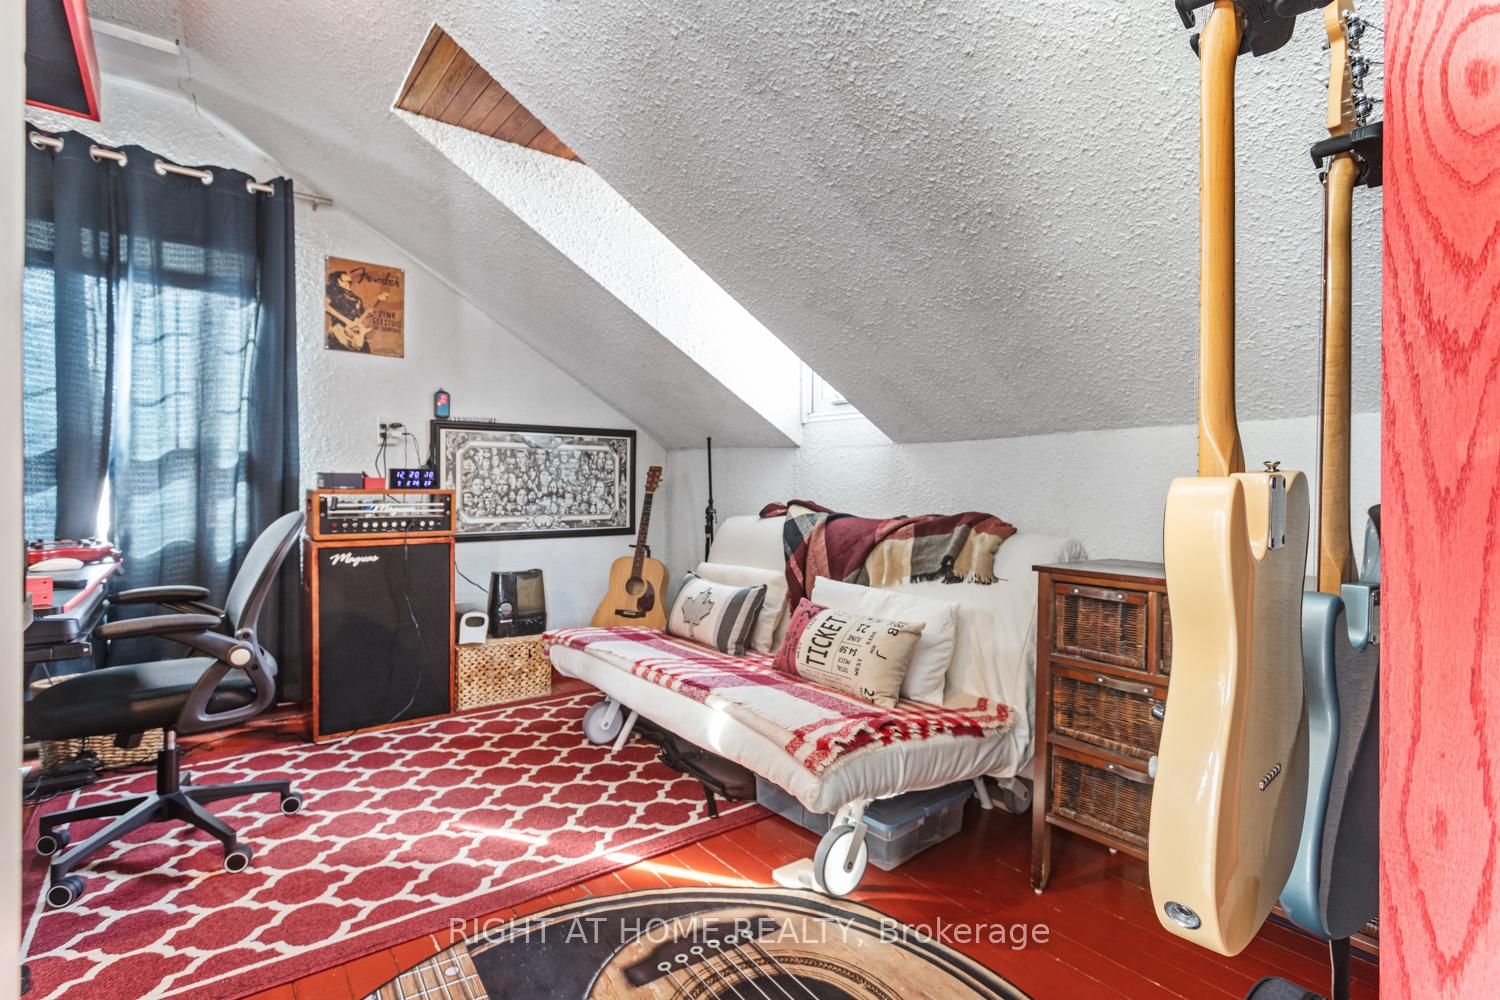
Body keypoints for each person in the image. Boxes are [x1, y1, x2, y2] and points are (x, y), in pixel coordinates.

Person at [325, 270, 371, 353]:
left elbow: (358, 318)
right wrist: (347, 321)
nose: (348, 283)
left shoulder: (355, 298)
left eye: (349, 282)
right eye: (345, 281)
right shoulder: (331, 290)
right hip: (339, 330)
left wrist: (366, 315)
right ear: (337, 281)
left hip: (356, 333)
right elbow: (325, 306)